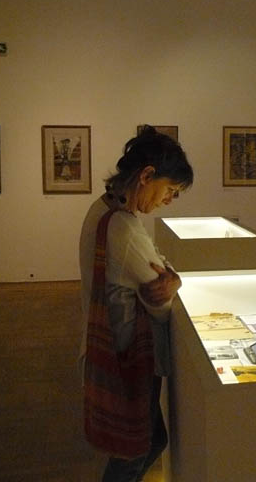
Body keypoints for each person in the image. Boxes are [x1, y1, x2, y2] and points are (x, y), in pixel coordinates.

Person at [78, 125, 194, 481]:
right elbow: (160, 296)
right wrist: (172, 284)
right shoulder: (123, 228)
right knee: (136, 450)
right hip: (127, 356)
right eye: (170, 190)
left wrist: (172, 277)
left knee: (149, 441)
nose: (169, 200)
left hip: (111, 348)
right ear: (146, 176)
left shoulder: (104, 208)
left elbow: (154, 259)